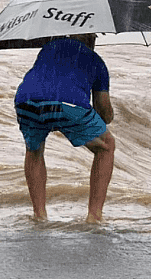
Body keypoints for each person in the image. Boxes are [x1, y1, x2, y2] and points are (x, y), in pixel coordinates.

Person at [14, 33, 115, 223]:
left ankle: (39, 215)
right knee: (106, 145)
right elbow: (104, 112)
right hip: (68, 104)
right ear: (90, 40)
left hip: (25, 100)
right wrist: (107, 115)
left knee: (34, 150)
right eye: (94, 35)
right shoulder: (96, 61)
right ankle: (94, 216)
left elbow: (48, 82)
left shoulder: (48, 49)